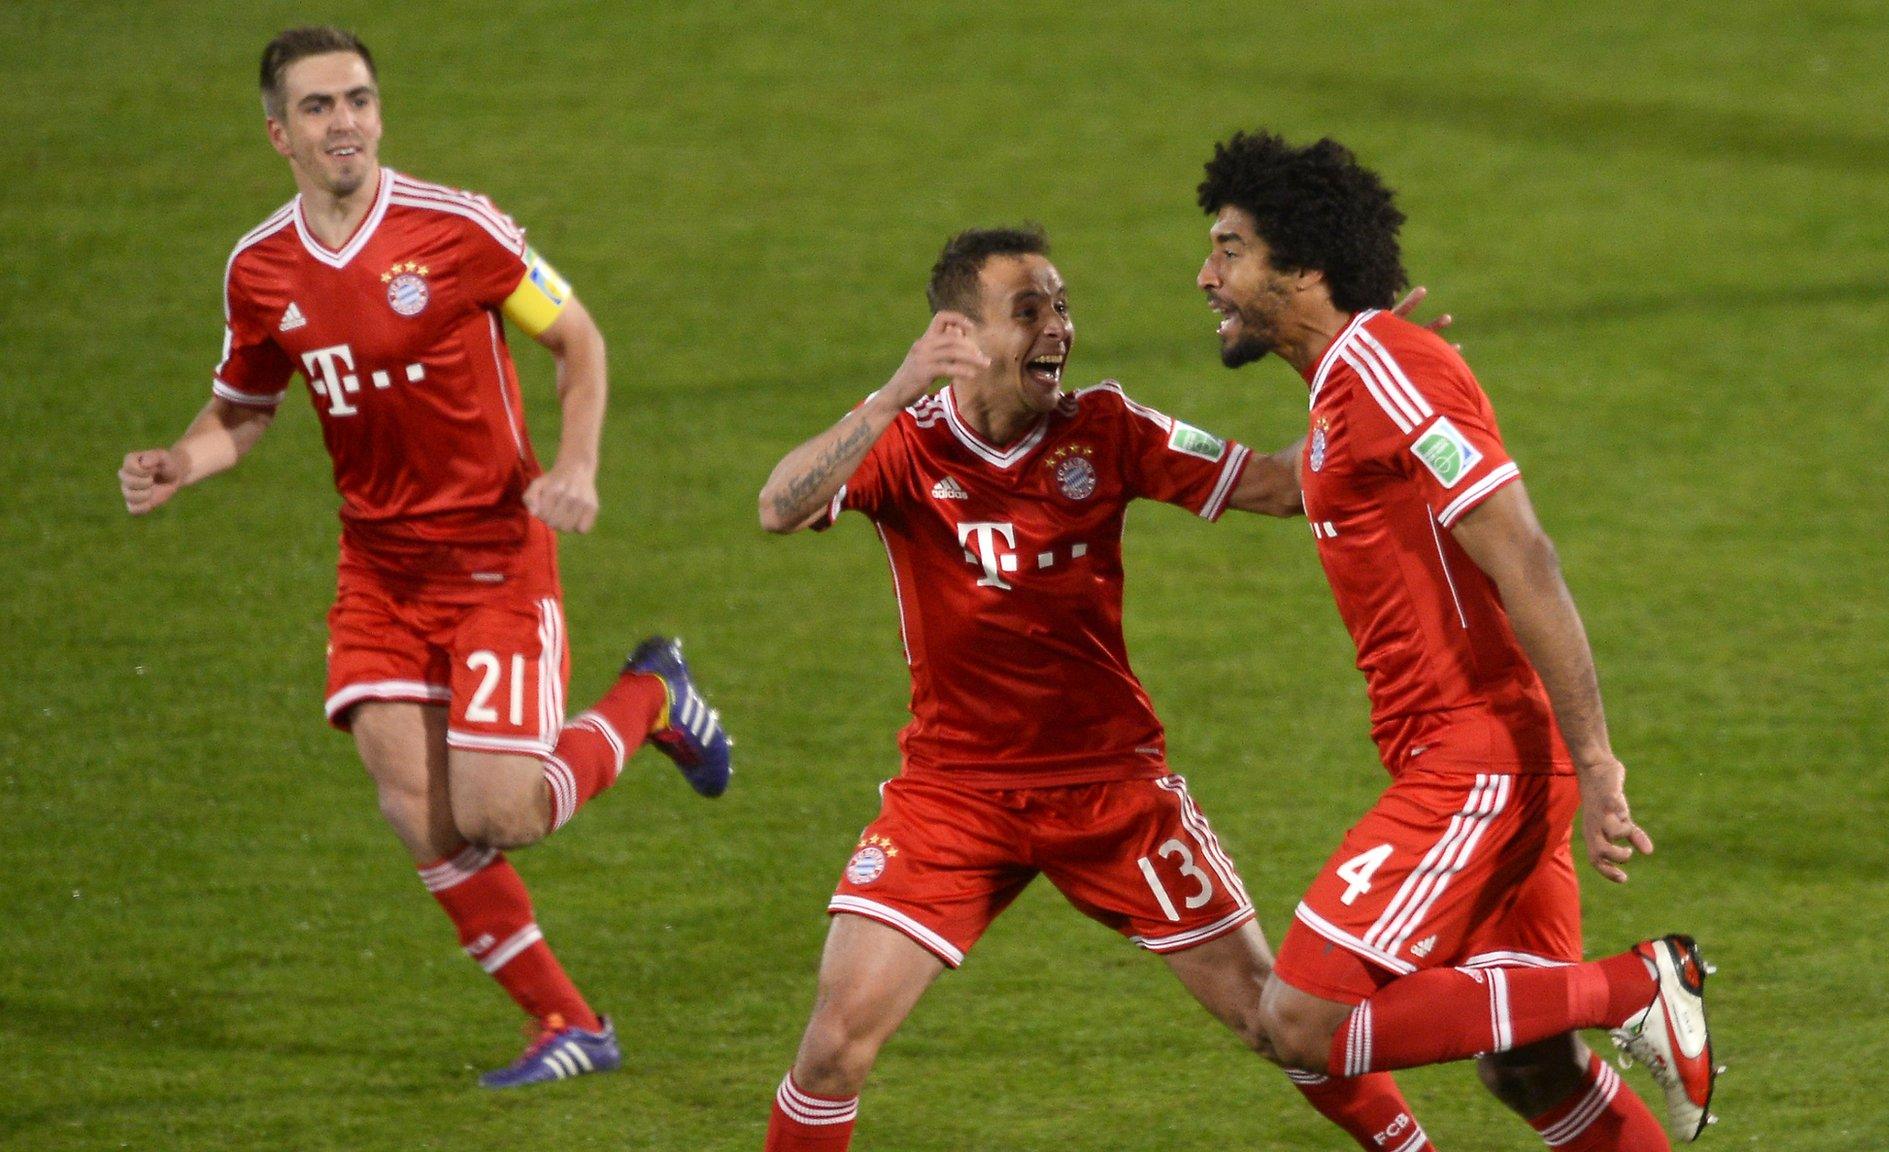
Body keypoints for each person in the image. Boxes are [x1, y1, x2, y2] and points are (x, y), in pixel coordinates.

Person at [116, 26, 732, 1088]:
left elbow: (576, 340)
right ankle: (569, 1025)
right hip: (380, 572)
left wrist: (575, 467)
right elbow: (243, 409)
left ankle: (650, 696)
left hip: (494, 557)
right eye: (317, 107)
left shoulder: (458, 229)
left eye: (357, 98)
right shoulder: (260, 269)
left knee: (503, 813)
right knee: (414, 807)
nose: (343, 119)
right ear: (279, 134)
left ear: (379, 113)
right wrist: (182, 460)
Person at [754, 226, 1459, 1151]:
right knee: (831, 1053)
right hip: (952, 795)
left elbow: (1284, 486)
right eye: (1029, 311)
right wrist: (893, 393)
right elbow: (778, 507)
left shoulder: (1109, 429)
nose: (1058, 329)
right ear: (956, 336)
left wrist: (1365, 380)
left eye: (1062, 306)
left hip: (1113, 793)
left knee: (1276, 1023)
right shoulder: (905, 444)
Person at [1193, 130, 1720, 1147]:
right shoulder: (1357, 383)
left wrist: (1598, 759)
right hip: (1489, 758)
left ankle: (1638, 982)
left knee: (1301, 1022)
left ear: (1300, 268)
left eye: (1229, 250)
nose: (1206, 275)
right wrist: (1105, 440)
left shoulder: (1384, 370)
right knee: (1528, 1066)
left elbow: (1525, 558)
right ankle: (1619, 993)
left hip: (1476, 760)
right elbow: (1286, 479)